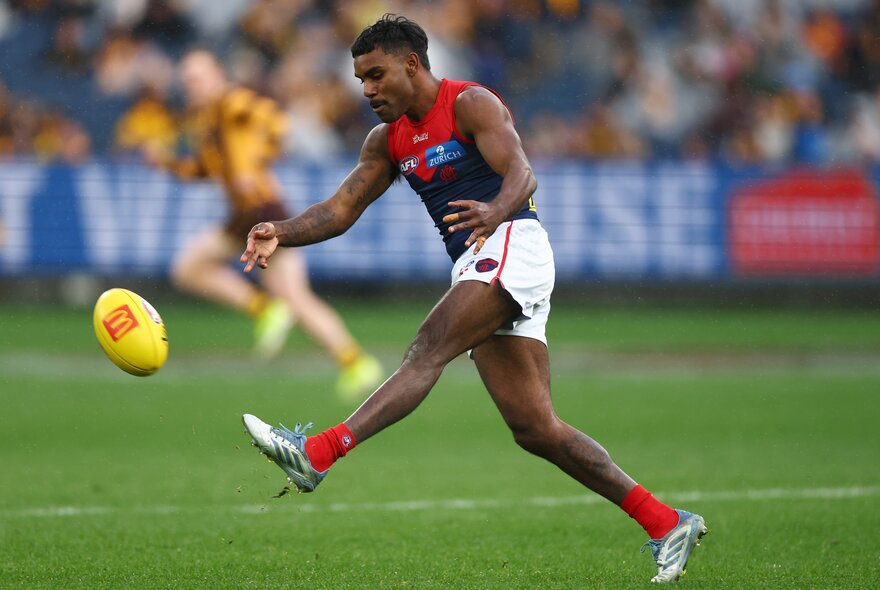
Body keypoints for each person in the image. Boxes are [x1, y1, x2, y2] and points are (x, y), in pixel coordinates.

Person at [239, 15, 707, 583]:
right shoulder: (386, 140)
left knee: (427, 349)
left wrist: (494, 210)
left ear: (412, 63)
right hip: (478, 262)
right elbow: (340, 210)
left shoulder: (470, 104)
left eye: (376, 75)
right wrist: (280, 232)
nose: (366, 90)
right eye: (360, 79)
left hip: (514, 242)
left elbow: (523, 172)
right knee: (536, 428)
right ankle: (665, 521)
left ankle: (318, 454)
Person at [146, 49, 382, 400]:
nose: (191, 86)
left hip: (261, 209)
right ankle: (344, 356)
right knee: (194, 269)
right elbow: (207, 168)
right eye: (187, 80)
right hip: (245, 213)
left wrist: (255, 159)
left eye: (197, 77)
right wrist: (168, 164)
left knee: (201, 271)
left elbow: (274, 121)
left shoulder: (232, 102)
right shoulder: (208, 118)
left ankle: (348, 358)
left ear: (217, 76)